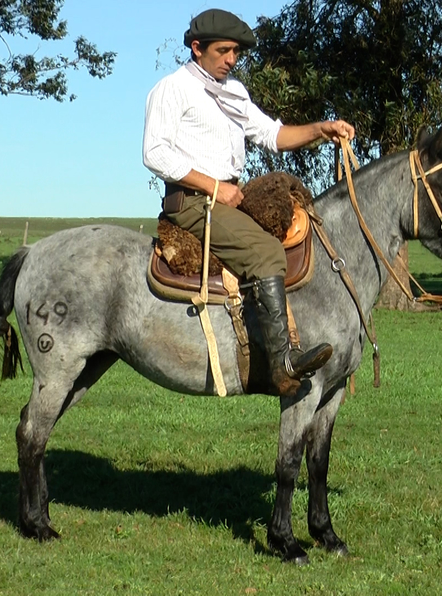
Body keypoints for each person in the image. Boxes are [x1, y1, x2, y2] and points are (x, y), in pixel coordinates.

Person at [143, 8, 355, 398]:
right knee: (266, 252)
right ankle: (282, 362)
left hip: (226, 200)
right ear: (196, 48)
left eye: (236, 52)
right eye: (224, 51)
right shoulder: (172, 89)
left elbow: (271, 134)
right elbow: (154, 153)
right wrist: (214, 187)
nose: (231, 60)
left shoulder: (234, 92)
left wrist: (321, 129)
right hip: (193, 203)